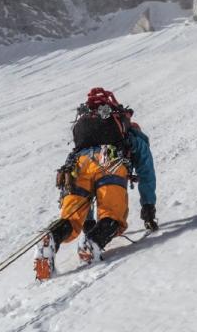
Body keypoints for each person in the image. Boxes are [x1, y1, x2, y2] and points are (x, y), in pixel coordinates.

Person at [33, 88, 158, 281]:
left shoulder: (88, 133)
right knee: (113, 216)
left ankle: (52, 237)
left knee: (71, 218)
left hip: (79, 165)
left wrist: (88, 222)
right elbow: (147, 173)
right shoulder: (133, 136)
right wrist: (148, 207)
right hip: (110, 163)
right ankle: (93, 242)